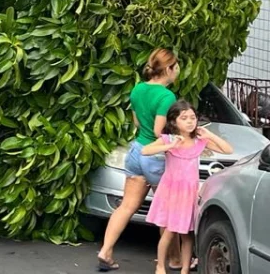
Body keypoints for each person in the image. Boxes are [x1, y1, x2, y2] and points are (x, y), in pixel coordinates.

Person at [97, 48, 182, 272]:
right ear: (169, 69)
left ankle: (105, 251)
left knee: (126, 206)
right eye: (177, 66)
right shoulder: (167, 96)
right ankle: (173, 260)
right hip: (155, 156)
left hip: (136, 151)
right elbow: (157, 130)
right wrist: (177, 140)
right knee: (167, 210)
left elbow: (137, 124)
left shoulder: (138, 89)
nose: (179, 70)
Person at [143, 101, 232, 274]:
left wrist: (210, 135)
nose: (190, 121)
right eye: (184, 118)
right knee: (169, 231)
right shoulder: (168, 139)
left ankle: (185, 269)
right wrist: (169, 146)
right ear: (173, 121)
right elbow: (145, 150)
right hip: (171, 192)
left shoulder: (199, 142)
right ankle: (160, 266)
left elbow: (228, 150)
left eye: (193, 117)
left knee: (187, 233)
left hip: (189, 193)